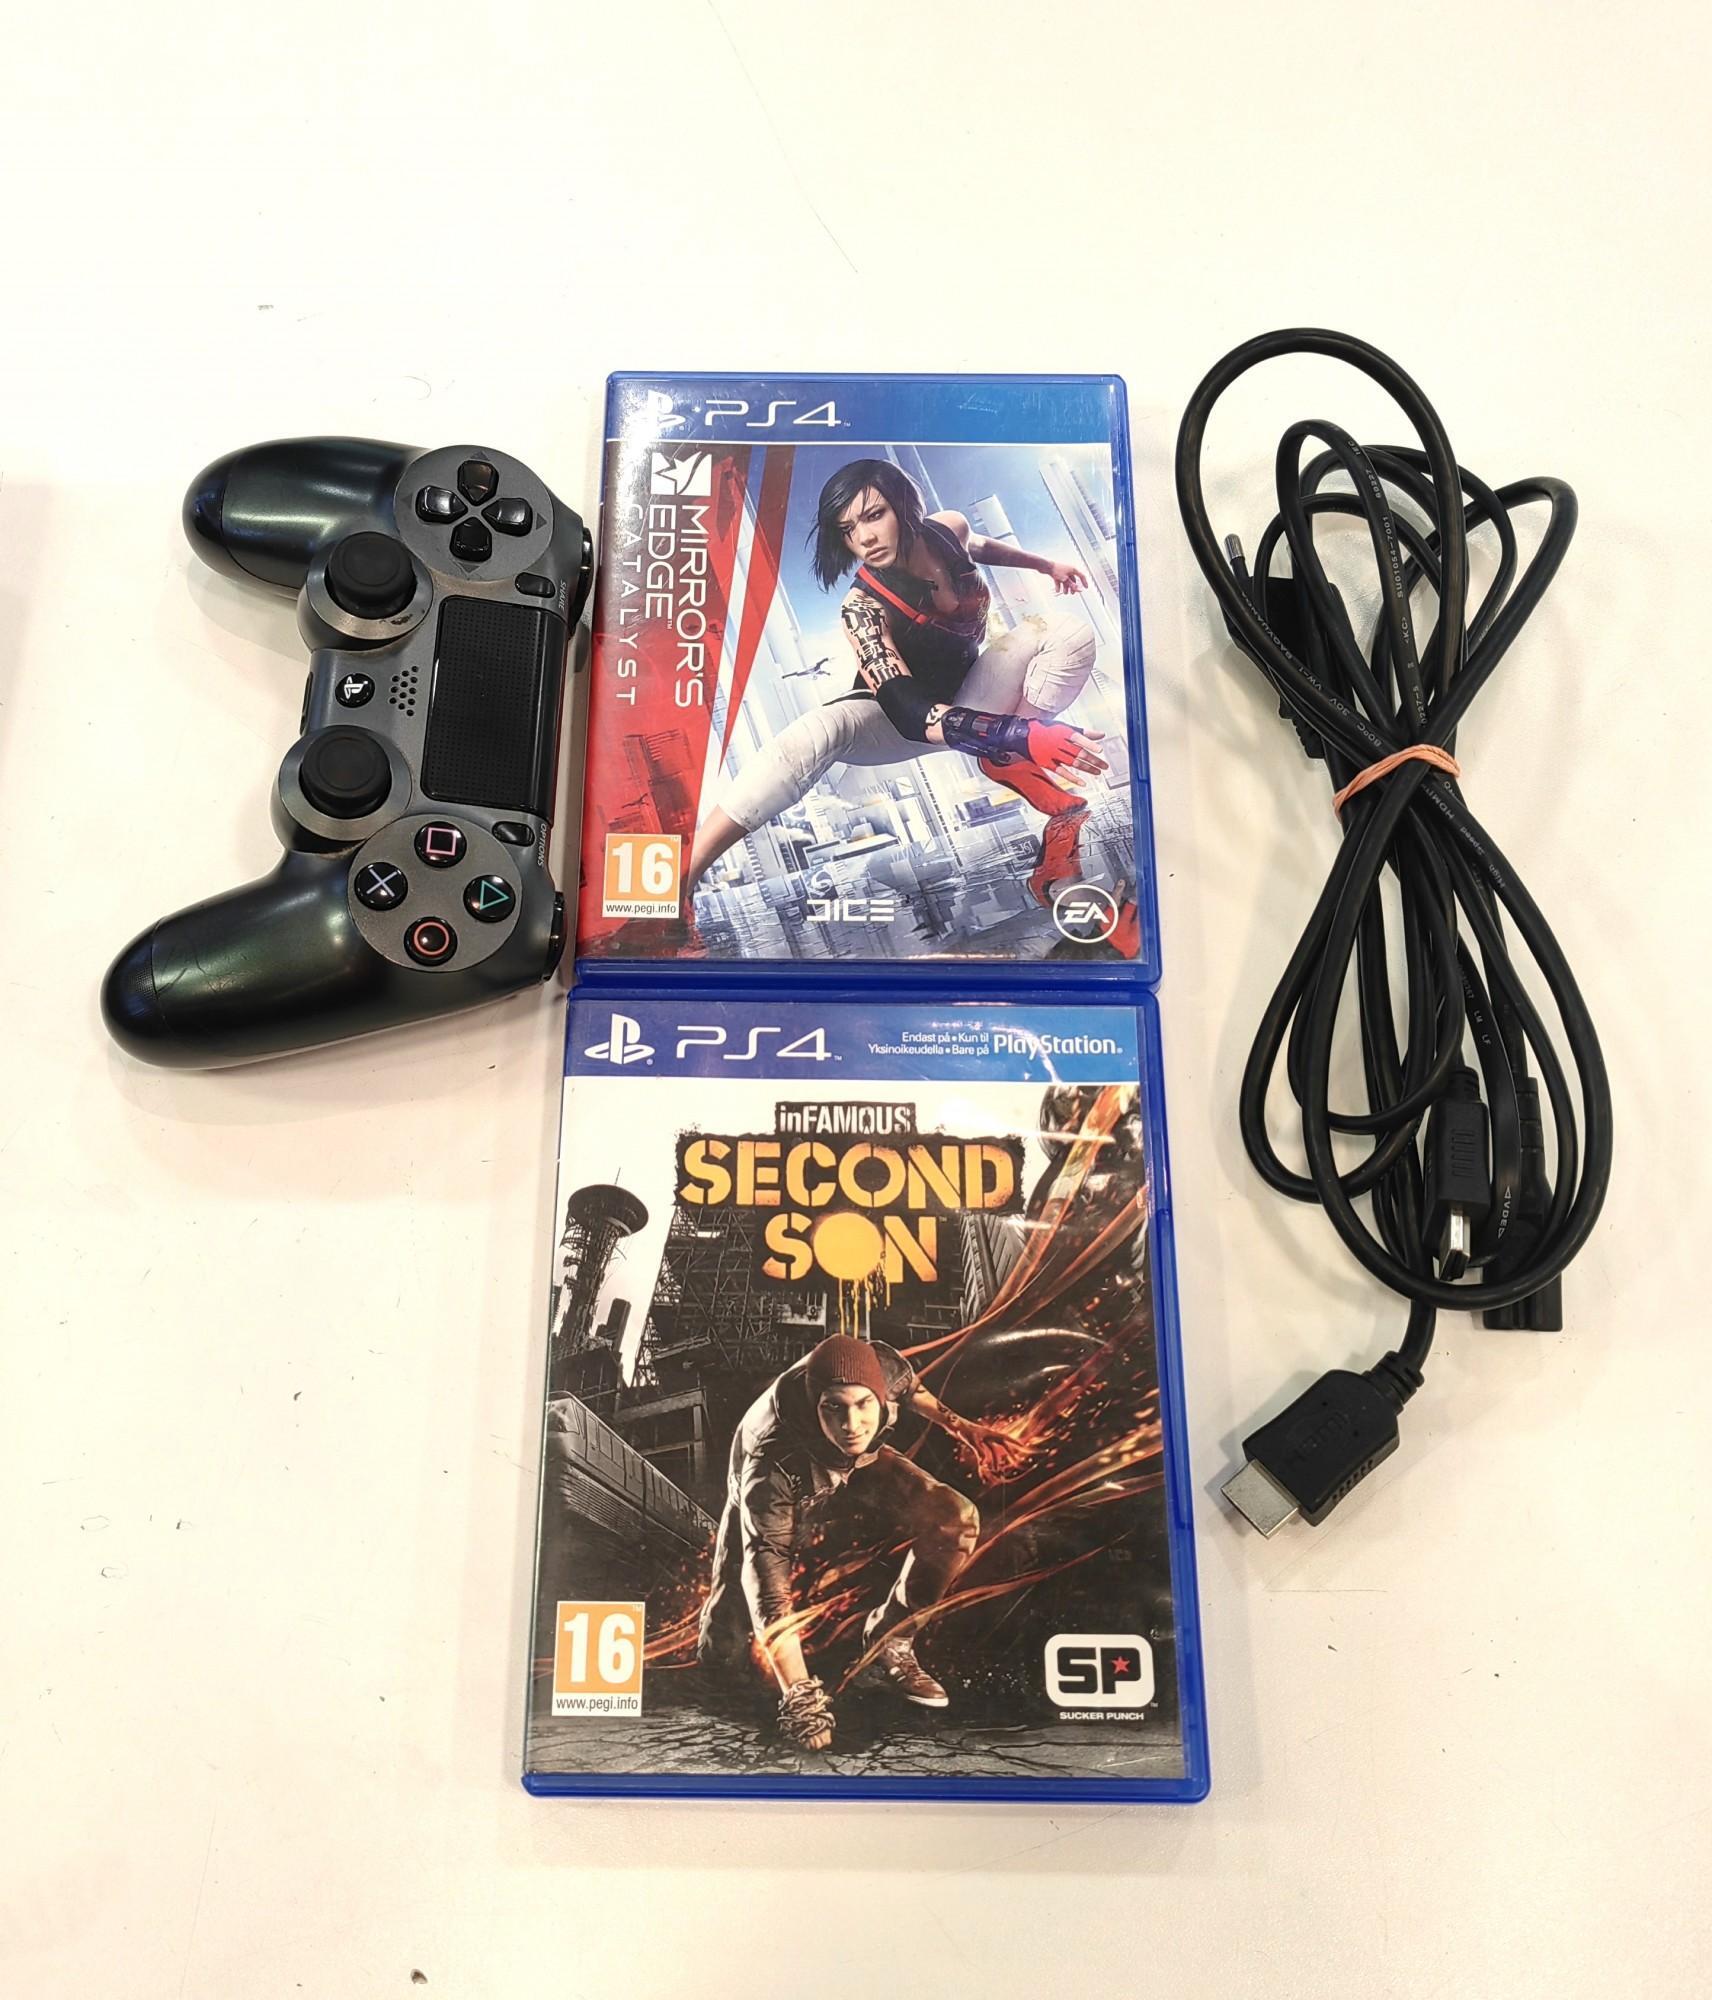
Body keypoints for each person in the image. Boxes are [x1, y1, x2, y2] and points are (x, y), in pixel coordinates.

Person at [684, 460, 1110, 913]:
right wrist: (1021, 733)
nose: (864, 538)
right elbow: (910, 713)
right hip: (895, 721)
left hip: (972, 695)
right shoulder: (861, 608)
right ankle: (683, 877)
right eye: (848, 529)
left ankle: (1004, 760)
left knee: (1064, 631)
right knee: (815, 732)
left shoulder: (947, 530)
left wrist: (1046, 565)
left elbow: (980, 545)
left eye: (874, 515)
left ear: (905, 505)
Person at [695, 1332, 1025, 1752]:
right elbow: (768, 1580)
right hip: (784, 1469)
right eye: (834, 1408)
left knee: (955, 1519)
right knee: (724, 1634)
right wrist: (801, 1699)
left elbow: (913, 1391)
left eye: (864, 1404)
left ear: (880, 1395)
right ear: (815, 1405)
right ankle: (717, 1675)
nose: (852, 1425)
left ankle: (891, 1640)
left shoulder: (884, 1366)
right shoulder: (770, 1464)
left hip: (857, 1461)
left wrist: (964, 1428)